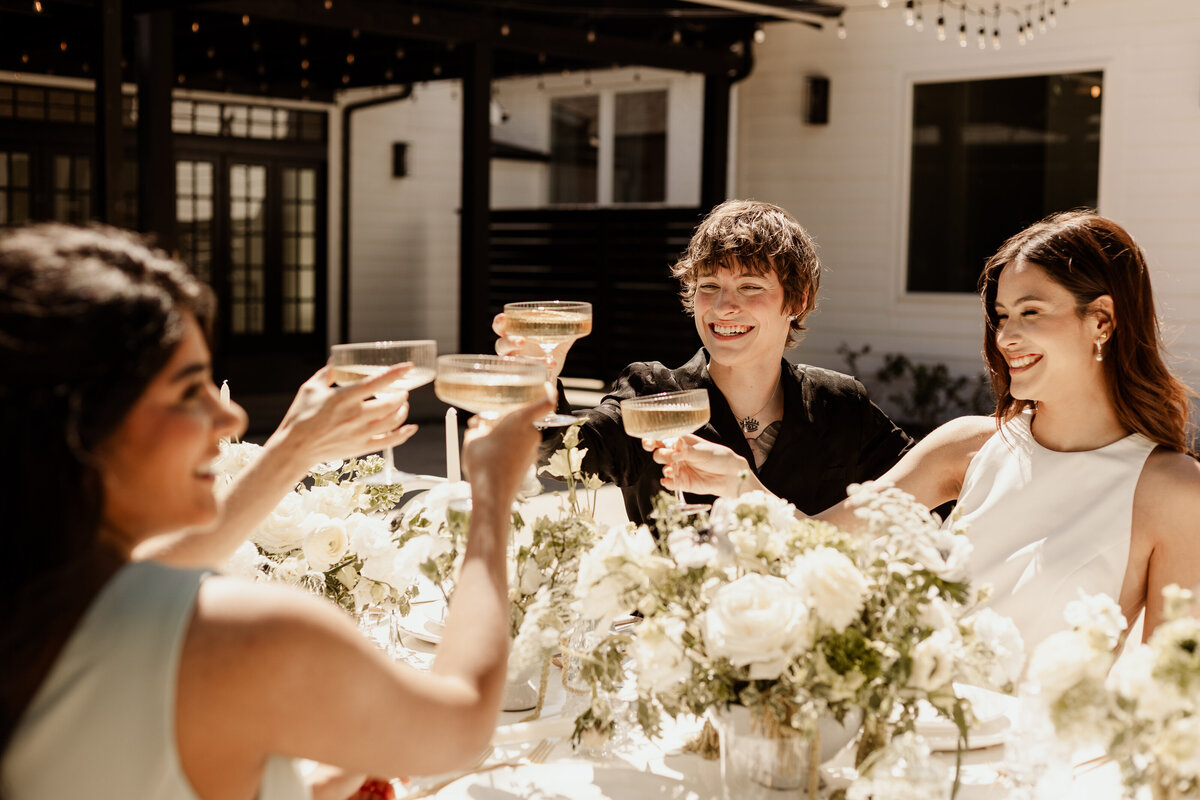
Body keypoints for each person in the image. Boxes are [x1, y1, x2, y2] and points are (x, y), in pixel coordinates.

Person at [0, 224, 555, 799]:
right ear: (79, 428)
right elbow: (460, 725)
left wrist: (296, 447)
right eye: (190, 391)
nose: (232, 420)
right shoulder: (240, 633)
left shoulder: (40, 604)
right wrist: (491, 498)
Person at [662, 211, 1200, 647]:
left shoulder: (1172, 490)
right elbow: (818, 544)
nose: (1007, 337)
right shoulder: (967, 447)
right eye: (1002, 315)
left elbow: (1168, 703)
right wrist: (741, 484)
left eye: (1031, 312)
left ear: (1102, 320)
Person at [495, 199, 912, 525]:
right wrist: (537, 380)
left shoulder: (839, 404)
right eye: (709, 285)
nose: (724, 306)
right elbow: (559, 461)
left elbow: (923, 499)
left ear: (797, 300)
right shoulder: (651, 392)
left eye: (750, 286)